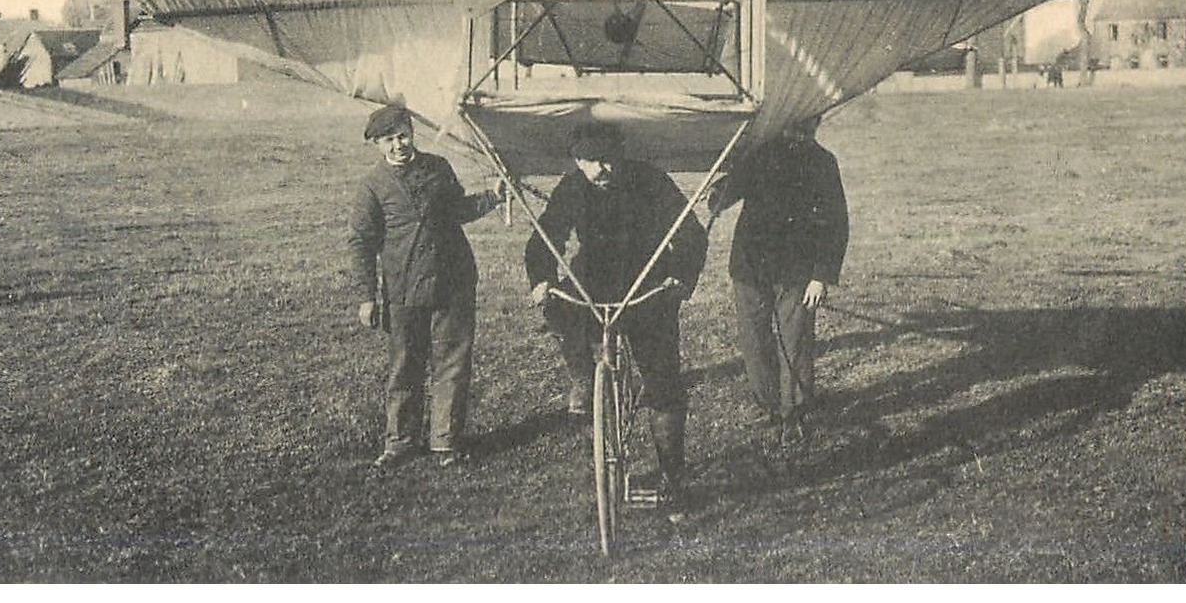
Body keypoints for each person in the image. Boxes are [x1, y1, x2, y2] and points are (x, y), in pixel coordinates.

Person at [527, 122, 708, 506]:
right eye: (590, 162)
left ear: (621, 156)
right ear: (578, 161)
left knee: (662, 383)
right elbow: (546, 236)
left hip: (647, 281)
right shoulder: (573, 187)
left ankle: (673, 477)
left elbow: (689, 231)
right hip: (594, 279)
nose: (601, 170)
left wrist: (681, 277)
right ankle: (584, 375)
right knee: (559, 307)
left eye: (608, 160)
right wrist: (541, 279)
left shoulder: (651, 181)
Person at [348, 104, 502, 469]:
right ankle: (400, 441)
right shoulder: (372, 186)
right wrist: (367, 297)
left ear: (412, 132)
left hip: (453, 282)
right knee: (405, 366)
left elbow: (458, 211)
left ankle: (445, 443)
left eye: (403, 135)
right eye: (389, 140)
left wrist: (493, 197)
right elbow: (361, 242)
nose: (398, 145)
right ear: (377, 145)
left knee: (453, 362)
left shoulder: (438, 168)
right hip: (404, 291)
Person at [710, 115, 849, 446]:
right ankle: (768, 405)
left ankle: (794, 414)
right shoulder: (757, 155)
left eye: (807, 126)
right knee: (754, 340)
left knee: (795, 341)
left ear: (815, 124)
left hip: (796, 271)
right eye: (794, 125)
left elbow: (836, 222)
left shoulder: (822, 163)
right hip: (750, 267)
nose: (800, 133)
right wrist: (719, 186)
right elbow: (722, 196)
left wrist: (821, 276)